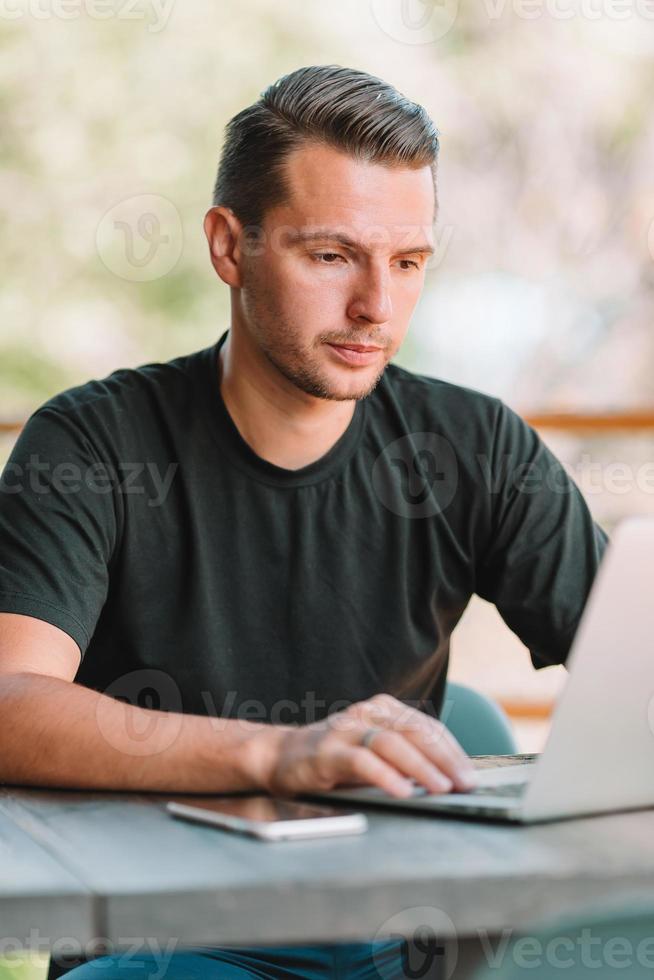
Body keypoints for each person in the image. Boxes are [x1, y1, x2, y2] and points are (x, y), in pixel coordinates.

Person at [0, 65, 608, 979]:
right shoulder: (92, 443)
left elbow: (632, 670)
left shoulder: (474, 445)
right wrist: (284, 753)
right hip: (172, 947)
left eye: (407, 263)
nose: (377, 306)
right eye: (331, 256)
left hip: (395, 945)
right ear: (228, 245)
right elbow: (11, 705)